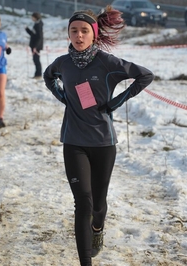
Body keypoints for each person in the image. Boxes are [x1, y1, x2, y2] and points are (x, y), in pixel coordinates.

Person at [43, 6, 154, 266]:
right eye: (73, 31)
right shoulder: (63, 63)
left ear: (93, 34)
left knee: (98, 206)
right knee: (83, 203)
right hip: (73, 142)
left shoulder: (107, 62)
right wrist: (65, 98)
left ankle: (97, 229)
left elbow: (145, 76)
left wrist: (115, 103)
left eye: (84, 31)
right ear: (68, 34)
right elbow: (49, 78)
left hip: (103, 143)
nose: (78, 36)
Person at [25, 12, 43, 79]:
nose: (32, 18)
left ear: (35, 17)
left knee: (36, 60)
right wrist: (27, 29)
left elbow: (39, 37)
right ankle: (37, 74)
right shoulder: (36, 24)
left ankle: (38, 74)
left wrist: (35, 46)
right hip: (34, 45)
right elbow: (33, 35)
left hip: (36, 46)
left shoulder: (38, 25)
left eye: (32, 17)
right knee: (35, 60)